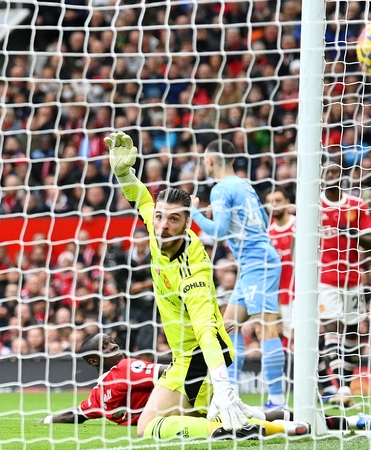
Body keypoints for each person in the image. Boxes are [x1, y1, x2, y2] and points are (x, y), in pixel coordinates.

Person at [105, 131, 257, 440]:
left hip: (200, 354)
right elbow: (142, 199)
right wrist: (124, 173)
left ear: (187, 222)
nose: (162, 225)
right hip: (184, 355)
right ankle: (282, 422)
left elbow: (205, 328)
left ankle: (227, 428)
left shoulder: (193, 266)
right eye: (160, 217)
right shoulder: (155, 226)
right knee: (183, 420)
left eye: (173, 220)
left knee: (147, 427)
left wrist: (223, 384)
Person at [42, 333, 371, 432]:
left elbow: (79, 413)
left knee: (260, 416)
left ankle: (327, 424)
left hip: (185, 405)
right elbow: (167, 373)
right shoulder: (126, 368)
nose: (114, 344)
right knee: (261, 414)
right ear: (93, 361)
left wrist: (48, 419)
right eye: (106, 346)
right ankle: (350, 421)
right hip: (191, 396)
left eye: (111, 339)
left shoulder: (101, 393)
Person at [190, 139, 287, 410]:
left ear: (210, 160)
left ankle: (277, 401)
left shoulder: (221, 189)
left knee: (265, 327)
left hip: (258, 263)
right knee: (227, 324)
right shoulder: (244, 184)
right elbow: (263, 222)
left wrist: (193, 213)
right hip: (253, 263)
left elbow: (218, 232)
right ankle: (229, 397)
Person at [317, 161, 371, 406]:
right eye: (328, 171)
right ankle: (339, 385)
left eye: (336, 171)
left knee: (351, 331)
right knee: (331, 326)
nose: (332, 175)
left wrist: (352, 232)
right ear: (321, 176)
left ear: (343, 177)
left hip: (352, 278)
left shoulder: (357, 205)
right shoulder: (314, 206)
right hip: (324, 279)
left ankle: (344, 385)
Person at [266, 188, 295, 336]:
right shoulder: (268, 234)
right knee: (291, 338)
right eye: (271, 202)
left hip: (304, 292)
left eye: (278, 200)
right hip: (283, 295)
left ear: (287, 203)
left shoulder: (299, 226)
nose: (274, 204)